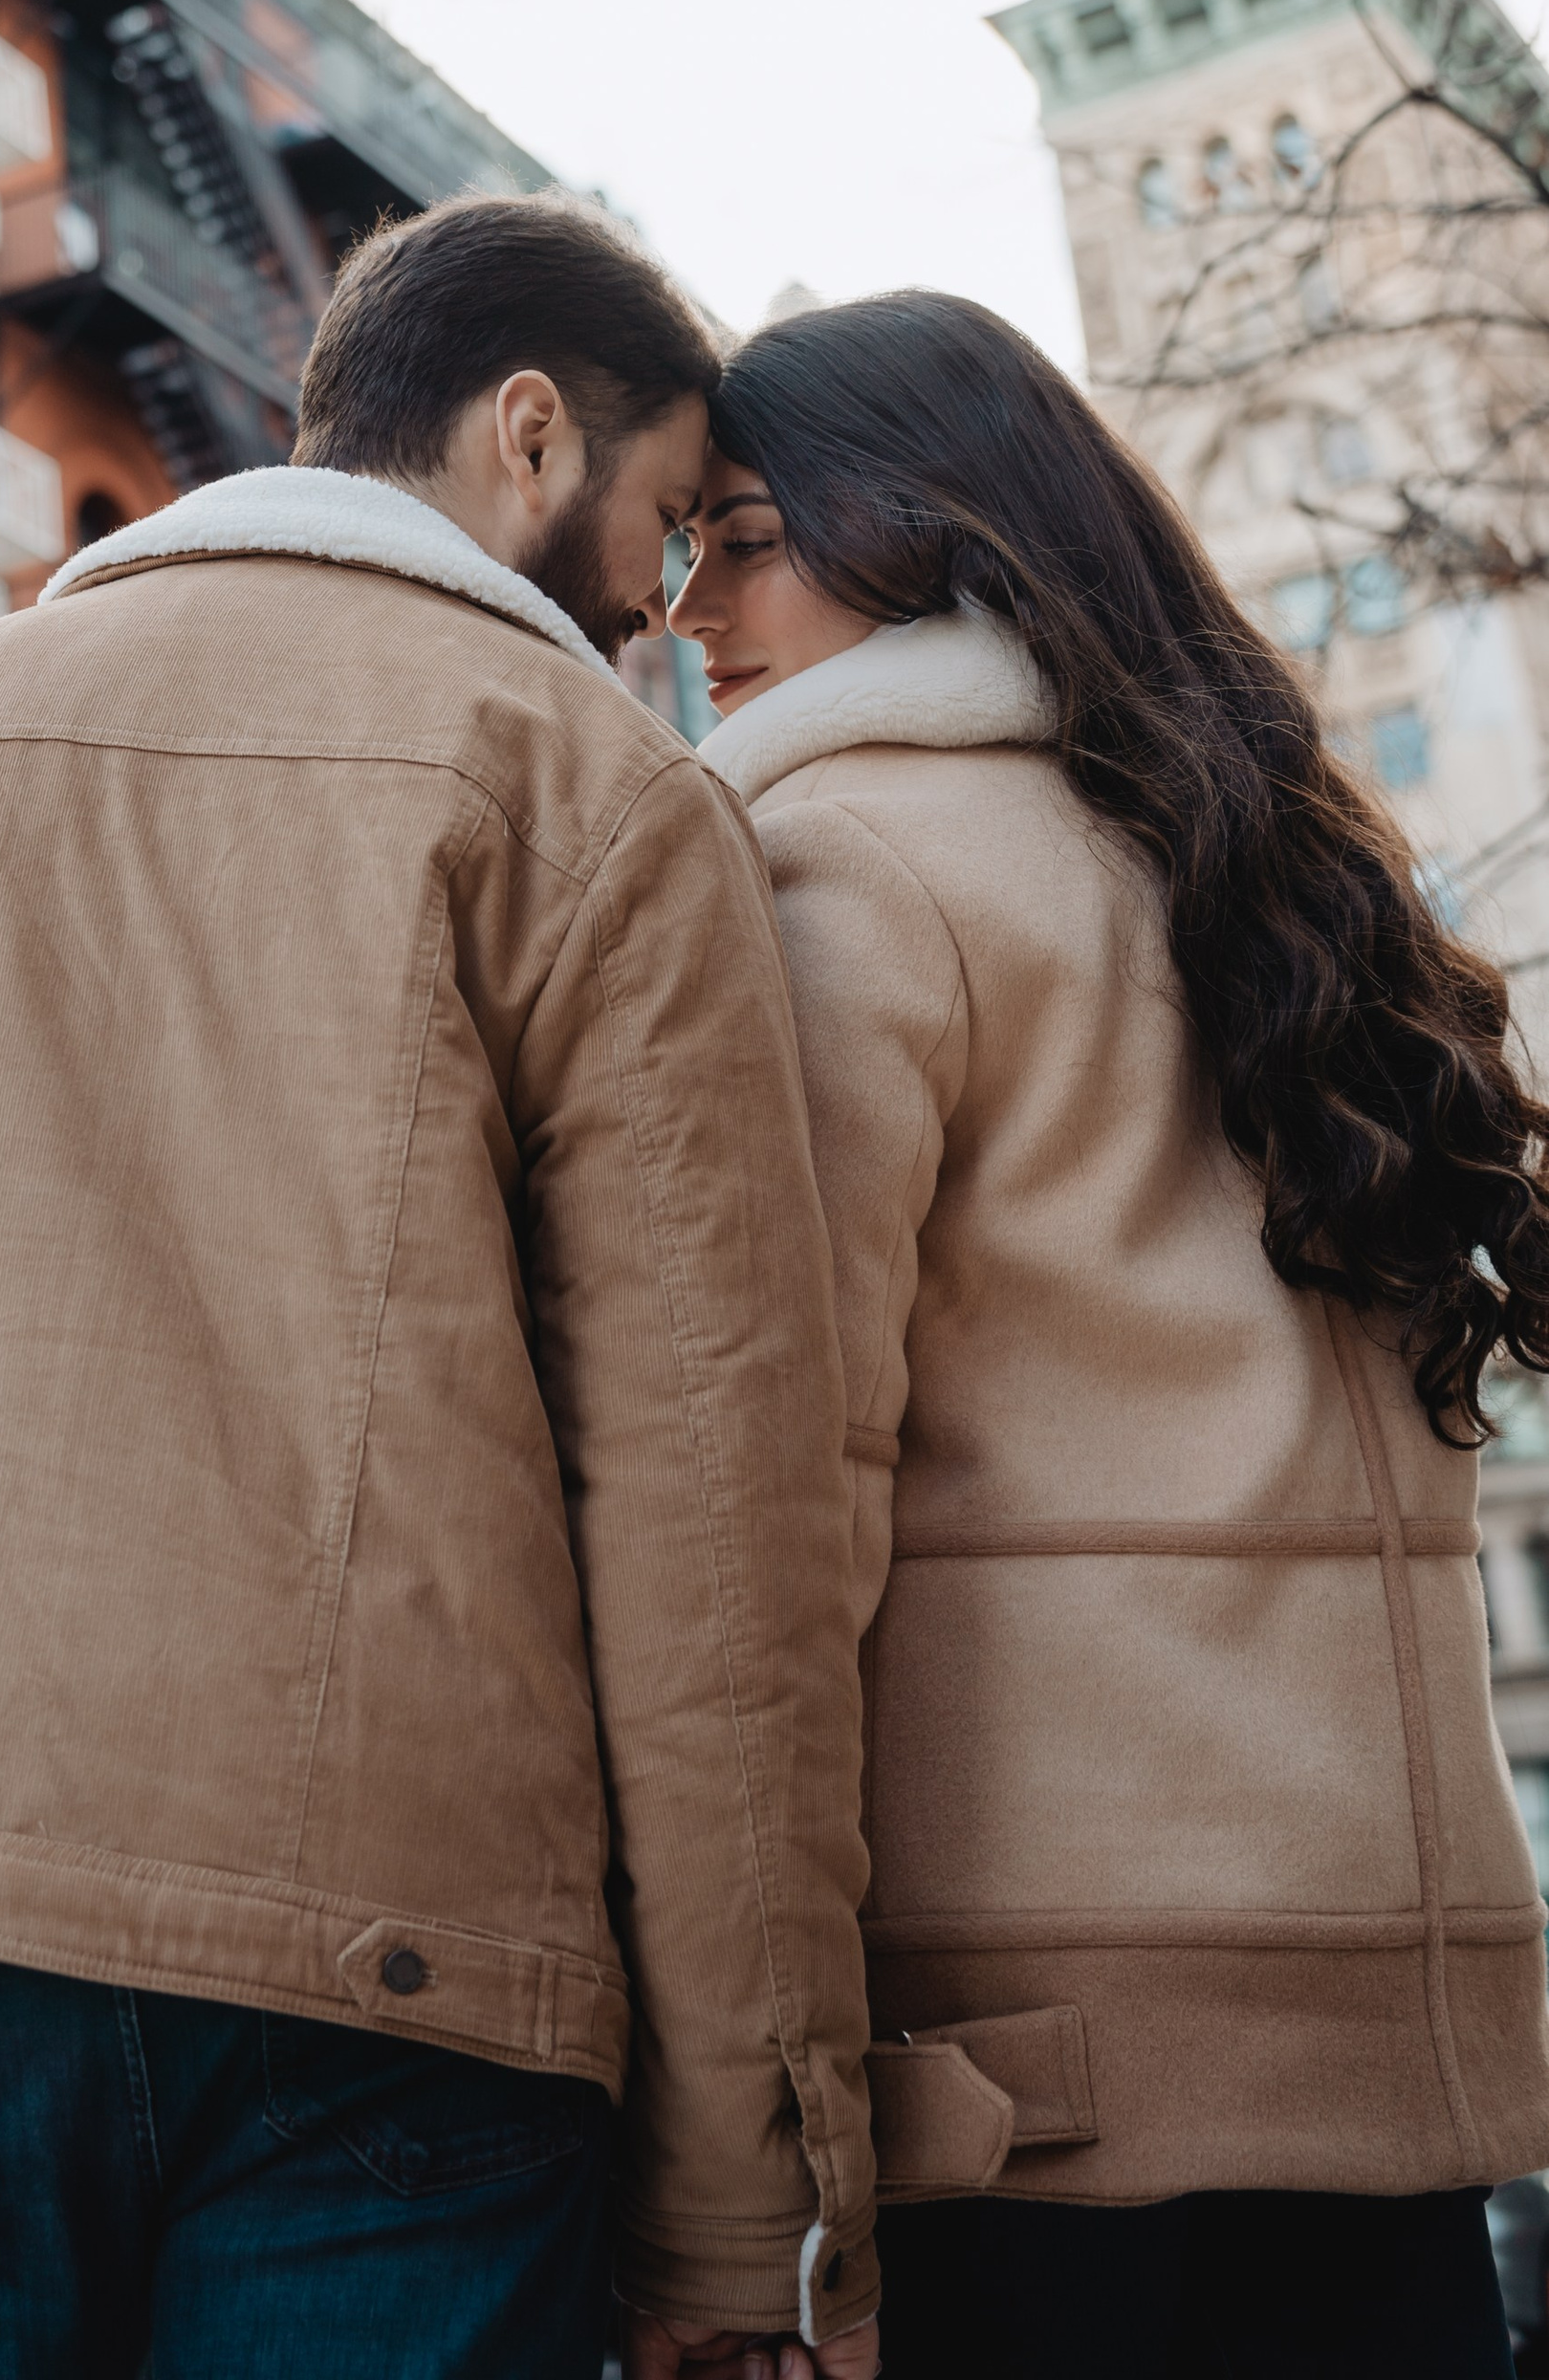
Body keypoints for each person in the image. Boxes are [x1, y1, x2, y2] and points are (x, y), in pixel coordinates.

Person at [0, 189, 884, 2380]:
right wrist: (736, 2199)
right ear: (529, 434)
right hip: (404, 1992)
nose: (662, 608)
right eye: (665, 525)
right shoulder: (595, 794)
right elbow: (709, 1531)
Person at [663, 287, 1549, 2380]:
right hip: (1396, 2045)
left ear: (926, 526)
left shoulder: (836, 863)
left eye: (747, 538)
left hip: (1034, 2070)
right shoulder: (1284, 866)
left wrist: (731, 2136)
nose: (690, 610)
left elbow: (773, 1518)